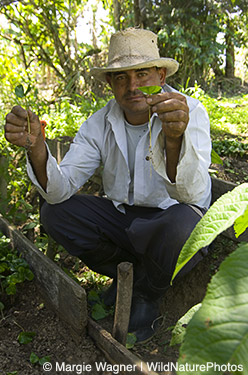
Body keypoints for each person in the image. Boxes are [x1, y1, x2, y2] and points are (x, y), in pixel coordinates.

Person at [4, 28, 211, 342]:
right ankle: (126, 275)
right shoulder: (99, 123)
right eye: (120, 78)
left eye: (142, 74)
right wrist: (36, 147)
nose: (132, 87)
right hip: (123, 220)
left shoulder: (187, 112)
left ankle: (146, 293)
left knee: (185, 227)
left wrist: (173, 140)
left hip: (170, 222)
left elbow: (191, 196)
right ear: (110, 85)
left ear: (160, 73)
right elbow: (61, 189)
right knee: (55, 213)